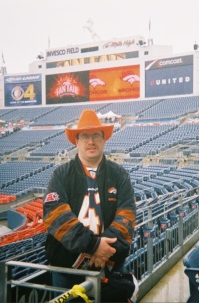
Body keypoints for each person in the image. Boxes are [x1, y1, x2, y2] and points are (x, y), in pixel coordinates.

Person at [43, 109, 136, 293]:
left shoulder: (119, 174)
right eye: (85, 136)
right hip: (66, 269)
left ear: (104, 139)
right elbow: (55, 215)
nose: (91, 141)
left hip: (110, 265)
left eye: (96, 136)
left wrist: (104, 251)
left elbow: (127, 215)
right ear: (76, 141)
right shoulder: (60, 175)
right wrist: (93, 246)